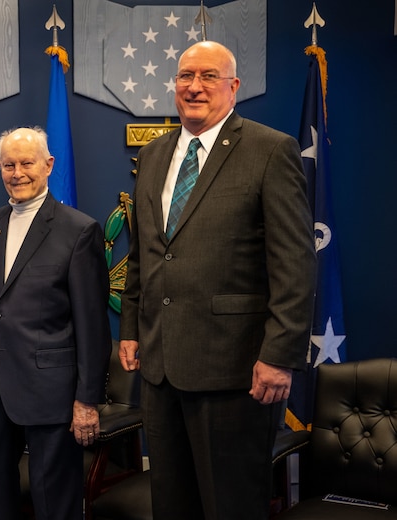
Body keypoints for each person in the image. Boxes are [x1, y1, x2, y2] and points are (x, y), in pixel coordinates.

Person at [118, 41, 317, 519]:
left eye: (208, 76)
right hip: (161, 368)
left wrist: (278, 356)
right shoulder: (153, 156)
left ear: (234, 87)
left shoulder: (271, 150)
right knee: (172, 503)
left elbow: (294, 263)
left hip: (236, 369)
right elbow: (145, 253)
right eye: (186, 76)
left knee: (230, 505)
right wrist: (129, 328)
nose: (194, 86)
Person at [0, 126, 111, 520]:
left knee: (55, 502)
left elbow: (92, 325)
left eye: (26, 163)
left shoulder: (79, 230)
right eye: (8, 164)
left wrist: (86, 399)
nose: (17, 172)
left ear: (48, 165)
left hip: (52, 394)